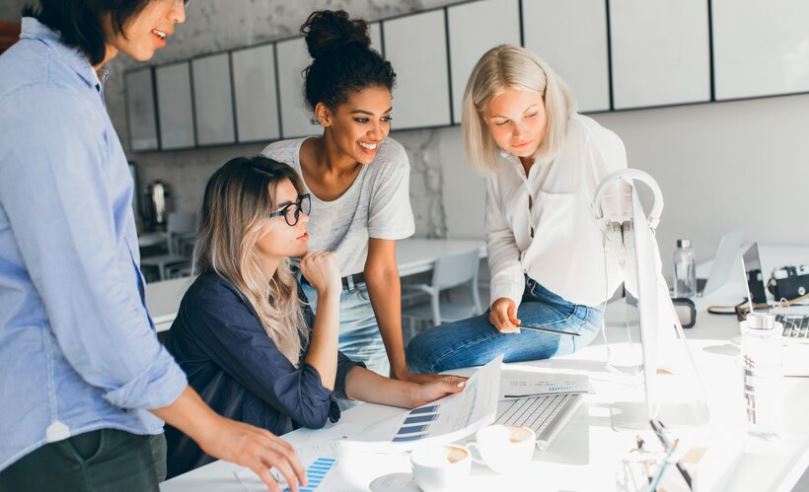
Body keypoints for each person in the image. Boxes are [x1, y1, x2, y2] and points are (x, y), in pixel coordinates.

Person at [0, 2, 305, 491]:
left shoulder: (63, 87)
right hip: (76, 438)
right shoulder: (45, 98)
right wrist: (213, 429)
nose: (180, 15)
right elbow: (94, 307)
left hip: (93, 430)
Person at [164, 156, 466, 476]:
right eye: (288, 212)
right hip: (212, 475)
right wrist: (330, 294)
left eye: (301, 205)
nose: (304, 218)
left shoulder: (280, 284)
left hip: (273, 458)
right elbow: (310, 405)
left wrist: (412, 394)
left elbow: (331, 368)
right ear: (245, 224)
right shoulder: (213, 302)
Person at [406, 45, 628, 373]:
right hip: (526, 297)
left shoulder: (590, 142)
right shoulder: (499, 165)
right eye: (502, 122)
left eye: (530, 115)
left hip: (573, 313)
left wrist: (664, 340)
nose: (519, 132)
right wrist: (504, 296)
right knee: (424, 351)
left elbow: (632, 238)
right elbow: (501, 237)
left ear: (547, 100)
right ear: (483, 119)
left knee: (428, 353)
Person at [262, 10, 442, 383]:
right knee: (304, 418)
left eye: (385, 117)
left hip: (359, 306)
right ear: (325, 114)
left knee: (367, 422)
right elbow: (259, 250)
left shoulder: (388, 162)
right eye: (363, 119)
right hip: (290, 307)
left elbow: (382, 269)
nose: (377, 133)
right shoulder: (277, 162)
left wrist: (401, 367)